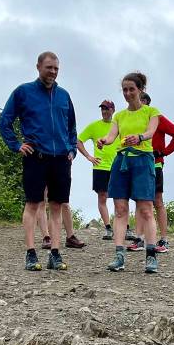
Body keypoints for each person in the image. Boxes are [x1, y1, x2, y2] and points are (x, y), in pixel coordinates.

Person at [0, 52, 76, 271]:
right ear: (38, 67)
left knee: (57, 205)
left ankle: (55, 253)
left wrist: (72, 150)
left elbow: (71, 127)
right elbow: (4, 121)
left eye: (56, 69)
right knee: (33, 204)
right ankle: (31, 253)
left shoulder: (64, 95)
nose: (52, 72)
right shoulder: (23, 92)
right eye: (49, 67)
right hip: (36, 156)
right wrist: (16, 145)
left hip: (61, 158)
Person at [96, 72, 161, 273]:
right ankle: (119, 255)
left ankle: (151, 256)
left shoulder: (151, 112)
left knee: (145, 208)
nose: (128, 93)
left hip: (142, 161)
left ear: (141, 90)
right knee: (120, 209)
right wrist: (104, 141)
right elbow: (112, 135)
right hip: (122, 161)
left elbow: (151, 132)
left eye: (131, 89)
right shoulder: (119, 115)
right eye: (124, 89)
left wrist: (140, 137)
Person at [126, 91, 174, 253]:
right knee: (139, 200)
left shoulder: (156, 117)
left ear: (145, 102)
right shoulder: (132, 118)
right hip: (137, 164)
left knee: (157, 200)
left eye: (138, 99)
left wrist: (164, 152)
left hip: (154, 164)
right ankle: (139, 238)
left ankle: (164, 240)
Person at [77, 100, 119, 240]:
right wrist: (89, 156)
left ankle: (123, 228)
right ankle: (108, 228)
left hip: (116, 166)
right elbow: (78, 140)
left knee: (119, 198)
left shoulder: (118, 125)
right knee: (102, 197)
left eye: (107, 109)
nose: (104, 111)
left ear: (113, 110)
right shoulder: (94, 126)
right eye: (102, 109)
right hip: (100, 166)